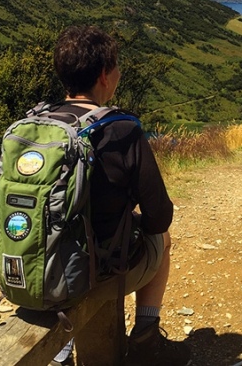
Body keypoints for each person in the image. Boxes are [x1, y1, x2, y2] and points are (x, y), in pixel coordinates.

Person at [50, 25, 190, 366]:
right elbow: (159, 216)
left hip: (36, 267)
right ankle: (146, 338)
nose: (119, 73)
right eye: (115, 67)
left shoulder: (39, 122)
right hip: (96, 274)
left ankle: (61, 352)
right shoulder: (121, 129)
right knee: (163, 238)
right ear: (103, 76)